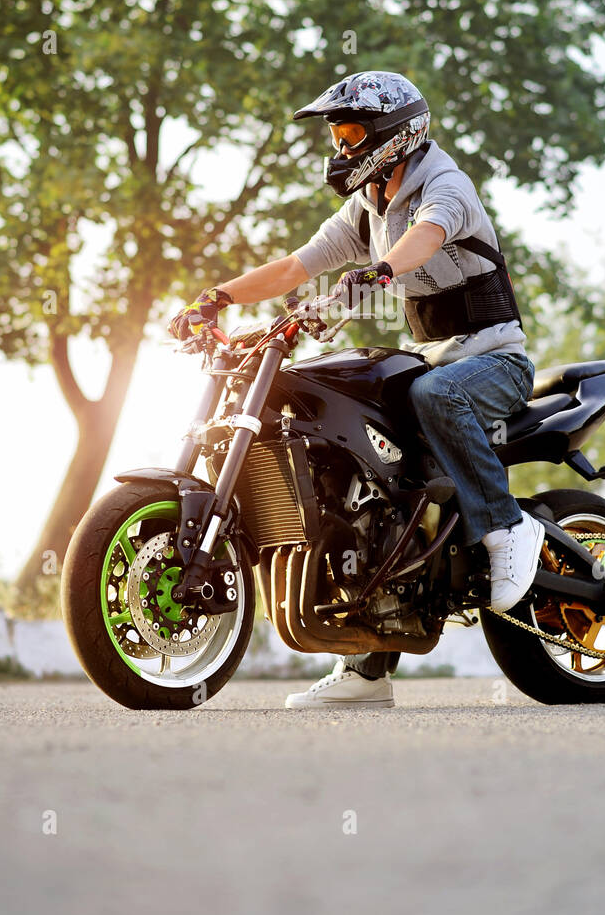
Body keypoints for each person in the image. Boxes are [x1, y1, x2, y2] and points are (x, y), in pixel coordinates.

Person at [168, 71, 544, 709]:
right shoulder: (369, 203)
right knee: (363, 465)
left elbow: (427, 237)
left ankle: (508, 526)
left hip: (493, 361)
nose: (341, 146)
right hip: (432, 360)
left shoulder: (443, 184)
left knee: (433, 398)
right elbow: (297, 266)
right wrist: (220, 296)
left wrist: (383, 268)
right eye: (337, 134)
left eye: (350, 132)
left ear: (395, 135)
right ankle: (368, 669)